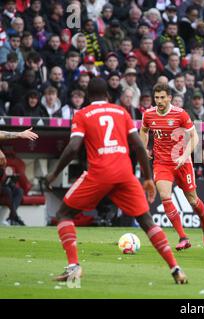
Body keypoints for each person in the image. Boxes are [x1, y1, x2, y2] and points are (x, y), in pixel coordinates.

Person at [44, 78, 187, 285]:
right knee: (146, 220)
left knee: (64, 214)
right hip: (125, 174)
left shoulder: (82, 114)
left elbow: (74, 146)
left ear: (87, 95)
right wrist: (147, 178)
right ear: (108, 96)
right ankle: (175, 268)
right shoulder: (122, 112)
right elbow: (139, 145)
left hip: (99, 173)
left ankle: (74, 266)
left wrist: (54, 173)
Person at [139, 83, 204, 251]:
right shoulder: (149, 115)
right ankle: (183, 237)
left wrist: (185, 156)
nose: (159, 101)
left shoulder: (180, 114)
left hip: (182, 163)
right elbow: (143, 131)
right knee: (165, 196)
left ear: (169, 98)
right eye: (156, 98)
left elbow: (194, 138)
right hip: (162, 163)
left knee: (193, 201)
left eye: (162, 97)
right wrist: (144, 148)